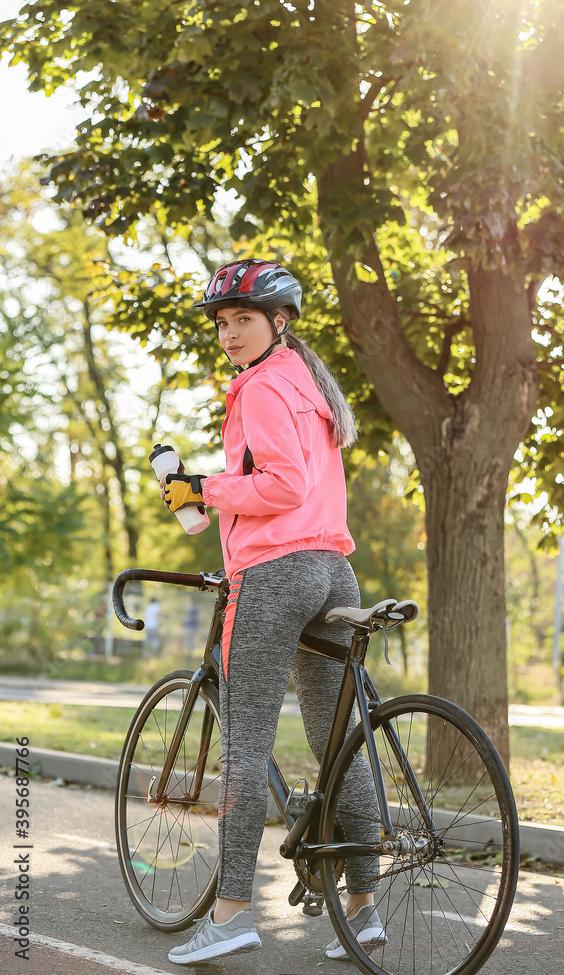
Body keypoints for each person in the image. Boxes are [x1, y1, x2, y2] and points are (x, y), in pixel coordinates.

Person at [161, 259, 384, 965]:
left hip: (274, 572)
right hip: (332, 573)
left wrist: (199, 486)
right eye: (223, 323)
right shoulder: (311, 385)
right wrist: (212, 490)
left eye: (243, 320)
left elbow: (280, 487)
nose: (229, 334)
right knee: (334, 740)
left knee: (247, 746)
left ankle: (229, 915)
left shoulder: (260, 387)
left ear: (277, 321)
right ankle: (363, 907)